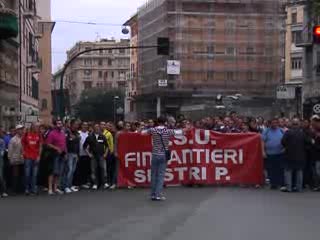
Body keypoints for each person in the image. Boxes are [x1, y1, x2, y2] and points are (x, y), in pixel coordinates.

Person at [142, 116, 185, 201]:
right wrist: (185, 129)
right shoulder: (168, 131)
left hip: (154, 154)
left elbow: (142, 133)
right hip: (163, 154)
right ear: (165, 122)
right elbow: (179, 133)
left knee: (153, 175)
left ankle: (153, 194)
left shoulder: (153, 130)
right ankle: (158, 194)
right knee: (161, 175)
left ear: (157, 122)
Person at [281, 118, 308, 192]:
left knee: (288, 171)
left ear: (292, 125)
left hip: (289, 155)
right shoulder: (302, 133)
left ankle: (289, 188)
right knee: (299, 171)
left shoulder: (288, 132)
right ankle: (299, 188)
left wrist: (287, 147)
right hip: (300, 156)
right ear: (298, 125)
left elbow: (283, 142)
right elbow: (307, 143)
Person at [83, 124, 109, 190]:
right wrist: (89, 154)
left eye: (98, 128)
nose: (97, 129)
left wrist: (105, 154)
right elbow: (84, 146)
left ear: (100, 129)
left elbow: (107, 146)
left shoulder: (102, 136)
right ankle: (95, 183)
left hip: (101, 156)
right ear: (94, 129)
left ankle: (104, 183)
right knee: (94, 170)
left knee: (103, 169)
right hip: (93, 156)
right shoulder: (90, 137)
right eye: (96, 128)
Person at [262, 118, 285, 189]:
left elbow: (286, 140)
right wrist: (263, 151)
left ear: (277, 123)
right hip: (270, 153)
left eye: (275, 123)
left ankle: (280, 183)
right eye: (273, 123)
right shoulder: (266, 131)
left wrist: (284, 149)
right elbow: (262, 142)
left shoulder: (281, 130)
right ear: (270, 123)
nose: (274, 124)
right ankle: (273, 184)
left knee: (280, 169)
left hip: (280, 153)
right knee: (271, 169)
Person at [46, 120, 67, 195]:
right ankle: (50, 189)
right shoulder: (52, 133)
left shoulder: (62, 133)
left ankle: (55, 188)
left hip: (62, 154)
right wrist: (56, 148)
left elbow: (64, 144)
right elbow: (48, 144)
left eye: (61, 124)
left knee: (59, 172)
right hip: (54, 155)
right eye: (58, 124)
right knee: (52, 172)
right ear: (55, 125)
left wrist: (66, 153)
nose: (60, 125)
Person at [21, 123, 43, 195]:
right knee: (27, 174)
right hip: (28, 157)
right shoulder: (27, 134)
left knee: (34, 174)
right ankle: (27, 189)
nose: (36, 128)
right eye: (35, 126)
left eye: (37, 127)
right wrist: (23, 152)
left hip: (35, 157)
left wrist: (39, 156)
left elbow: (40, 146)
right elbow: (22, 143)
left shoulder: (39, 135)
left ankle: (33, 189)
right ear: (32, 127)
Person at [62, 119, 80, 193]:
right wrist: (65, 153)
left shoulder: (76, 133)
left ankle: (70, 185)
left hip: (75, 153)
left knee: (72, 171)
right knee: (68, 170)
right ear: (72, 124)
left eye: (77, 124)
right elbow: (65, 143)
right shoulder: (67, 132)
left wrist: (78, 154)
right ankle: (65, 186)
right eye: (76, 124)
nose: (77, 126)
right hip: (69, 153)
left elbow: (77, 144)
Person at [8, 125, 24, 193]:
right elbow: (10, 150)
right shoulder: (13, 139)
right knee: (15, 175)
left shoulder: (24, 138)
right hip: (15, 159)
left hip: (22, 159)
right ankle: (14, 189)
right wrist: (10, 158)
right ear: (17, 130)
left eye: (22, 129)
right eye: (20, 129)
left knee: (22, 175)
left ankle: (21, 189)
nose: (21, 130)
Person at [74, 122, 91, 189]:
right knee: (78, 169)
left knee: (85, 169)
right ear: (81, 126)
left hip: (87, 154)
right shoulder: (78, 133)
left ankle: (84, 183)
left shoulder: (88, 134)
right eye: (84, 125)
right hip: (79, 154)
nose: (85, 126)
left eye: (86, 125)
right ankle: (77, 183)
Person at [310, 115, 320, 191]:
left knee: (317, 171)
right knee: (315, 171)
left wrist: (314, 143)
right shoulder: (313, 130)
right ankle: (316, 185)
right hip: (314, 154)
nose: (312, 123)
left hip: (318, 154)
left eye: (313, 122)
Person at [0, 129, 8, 197]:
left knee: (1, 176)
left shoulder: (1, 141)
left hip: (0, 160)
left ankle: (4, 191)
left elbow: (2, 152)